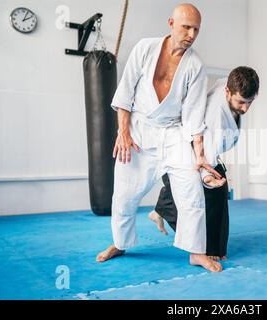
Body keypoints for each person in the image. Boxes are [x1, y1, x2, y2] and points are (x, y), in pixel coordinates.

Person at [96, 3, 223, 273]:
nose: (191, 34)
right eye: (186, 27)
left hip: (174, 133)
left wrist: (199, 157)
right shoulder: (145, 48)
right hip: (140, 131)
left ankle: (196, 251)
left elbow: (193, 117)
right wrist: (123, 132)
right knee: (124, 194)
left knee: (192, 192)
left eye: (196, 29)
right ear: (171, 24)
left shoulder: (196, 66)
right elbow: (125, 93)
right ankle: (120, 243)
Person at [149, 66, 260, 261]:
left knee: (217, 192)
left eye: (250, 102)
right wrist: (208, 177)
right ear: (228, 91)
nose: (245, 108)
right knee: (208, 193)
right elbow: (204, 157)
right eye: (241, 102)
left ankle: (164, 207)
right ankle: (205, 247)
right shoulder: (214, 115)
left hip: (200, 143)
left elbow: (223, 81)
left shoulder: (226, 84)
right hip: (187, 148)